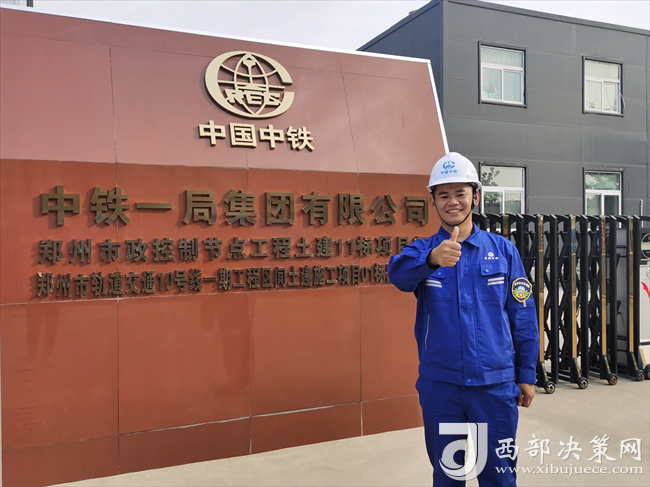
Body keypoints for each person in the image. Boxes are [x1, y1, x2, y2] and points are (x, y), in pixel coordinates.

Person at [388, 152, 539, 486]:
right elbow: (397, 275)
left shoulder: (503, 250)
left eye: (460, 193)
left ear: (476, 197)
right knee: (449, 475)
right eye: (443, 195)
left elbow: (523, 314)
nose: (452, 202)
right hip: (442, 386)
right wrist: (431, 259)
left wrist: (526, 374)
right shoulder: (423, 250)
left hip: (494, 385)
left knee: (499, 476)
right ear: (433, 202)